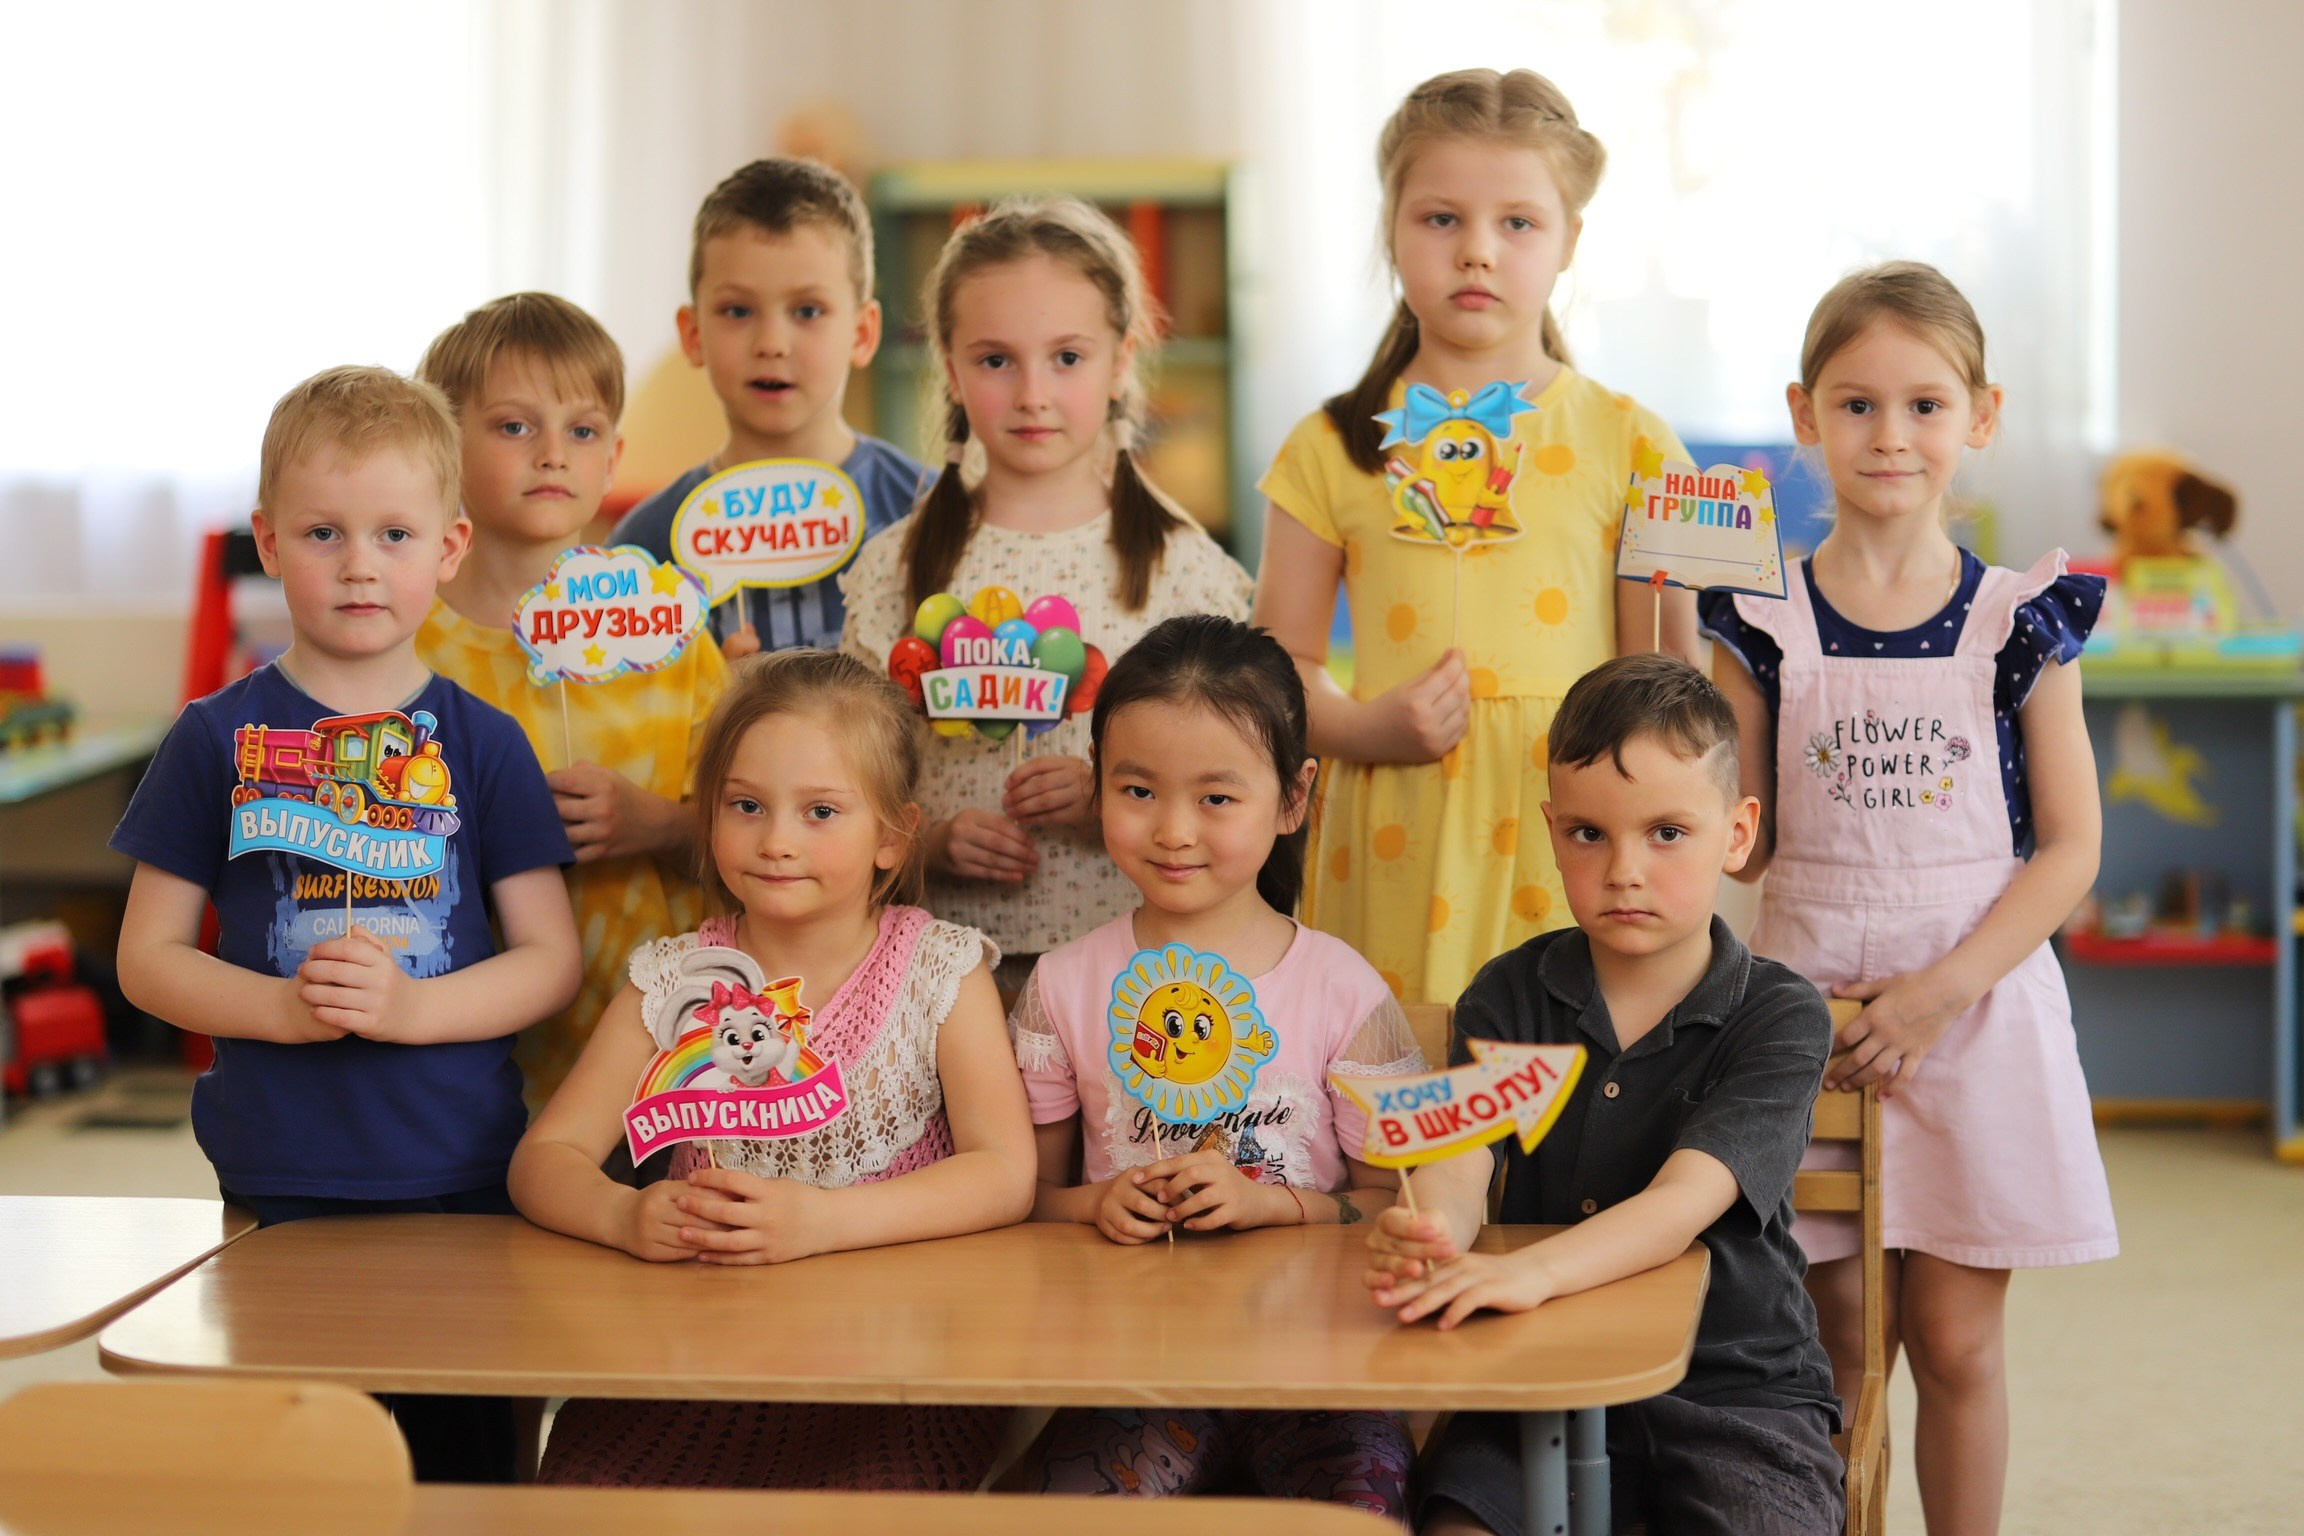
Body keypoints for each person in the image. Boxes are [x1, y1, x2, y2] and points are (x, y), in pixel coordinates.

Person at [1702, 261, 2116, 1536]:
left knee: (1956, 1344)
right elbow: (1741, 844)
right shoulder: (1757, 617)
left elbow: (2069, 849)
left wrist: (1938, 995)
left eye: (1927, 406)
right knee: (1836, 1346)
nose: (1892, 436)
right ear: (1804, 413)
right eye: (1858, 405)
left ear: (1980, 417)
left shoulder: (2020, 622)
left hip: (1975, 1011)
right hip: (1811, 1023)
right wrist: (1670, 683)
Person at [112, 365, 582, 1481]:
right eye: (324, 532)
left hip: (457, 1170)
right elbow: (146, 959)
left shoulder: (488, 742)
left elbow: (549, 959)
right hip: (278, 1176)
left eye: (393, 533)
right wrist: (278, 1005)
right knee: (297, 1471)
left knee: (460, 1471)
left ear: (450, 548)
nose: (360, 563)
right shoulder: (212, 738)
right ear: (269, 542)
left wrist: (413, 1009)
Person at [510, 648, 1037, 1490]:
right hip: (698, 1358)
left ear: (893, 837)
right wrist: (622, 1216)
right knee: (583, 1483)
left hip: (902, 1369)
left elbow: (1007, 1172)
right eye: (746, 806)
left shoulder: (942, 970)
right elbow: (545, 1159)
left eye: (821, 811)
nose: (777, 840)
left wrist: (825, 1224)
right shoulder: (675, 978)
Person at [1366, 653, 1844, 1536]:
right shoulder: (1511, 993)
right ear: (1552, 831)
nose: (1624, 869)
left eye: (1667, 832)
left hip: (1734, 1390)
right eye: (1589, 834)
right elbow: (1463, 1162)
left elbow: (1679, 1206)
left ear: (1737, 835)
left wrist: (1530, 1270)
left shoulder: (1779, 1015)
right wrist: (1434, 1226)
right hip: (1535, 1375)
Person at [1252, 67, 1699, 1006]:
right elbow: (1279, 666)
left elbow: (1665, 685)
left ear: (1570, 239)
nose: (1478, 253)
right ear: (1391, 227)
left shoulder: (1636, 443)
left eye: (1519, 223)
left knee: (1565, 1110)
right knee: (1389, 1110)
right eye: (1441, 218)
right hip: (1392, 833)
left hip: (1570, 831)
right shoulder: (1332, 444)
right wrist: (1368, 726)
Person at [1009, 615, 1423, 1517]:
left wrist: (1275, 1206)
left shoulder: (1345, 993)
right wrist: (1095, 1202)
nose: (1172, 830)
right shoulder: (1062, 986)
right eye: (1137, 789)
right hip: (1131, 1383)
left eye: (1217, 798)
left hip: (1323, 1385)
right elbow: (1019, 1201)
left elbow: (1396, 1204)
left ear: (1293, 797)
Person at [841, 196, 1253, 995]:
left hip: (1135, 974)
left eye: (1067, 357)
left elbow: (1231, 791)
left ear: (1121, 360)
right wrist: (928, 844)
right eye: (996, 360)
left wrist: (1109, 802)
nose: (1033, 393)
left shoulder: (1185, 572)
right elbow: (849, 786)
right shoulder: (893, 569)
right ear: (952, 369)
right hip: (939, 976)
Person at [415, 292, 728, 1105]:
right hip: (465, 1044)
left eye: (582, 431)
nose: (553, 453)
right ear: (444, 448)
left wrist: (652, 821)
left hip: (662, 1041)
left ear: (614, 457)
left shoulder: (671, 632)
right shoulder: (407, 650)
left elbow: (752, 824)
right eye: (515, 427)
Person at [612, 158, 924, 659]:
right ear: (693, 336)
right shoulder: (643, 550)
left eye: (807, 311)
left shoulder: (926, 511)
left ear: (862, 334)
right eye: (738, 311)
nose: (772, 343)